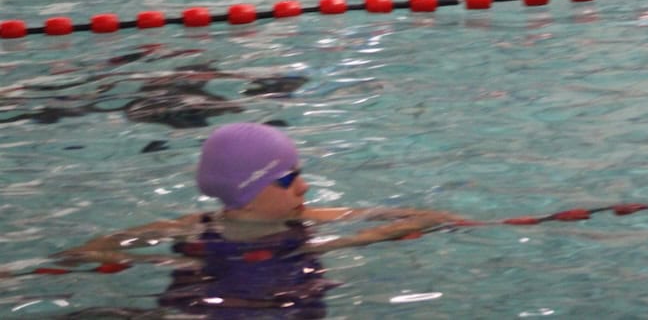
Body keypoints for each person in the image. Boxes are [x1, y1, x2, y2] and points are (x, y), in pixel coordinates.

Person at [56, 123, 459, 311]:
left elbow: (405, 216)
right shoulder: (193, 228)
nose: (304, 187)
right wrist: (146, 259)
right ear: (246, 195)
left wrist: (418, 222)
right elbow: (91, 251)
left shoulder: (309, 217)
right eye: (288, 179)